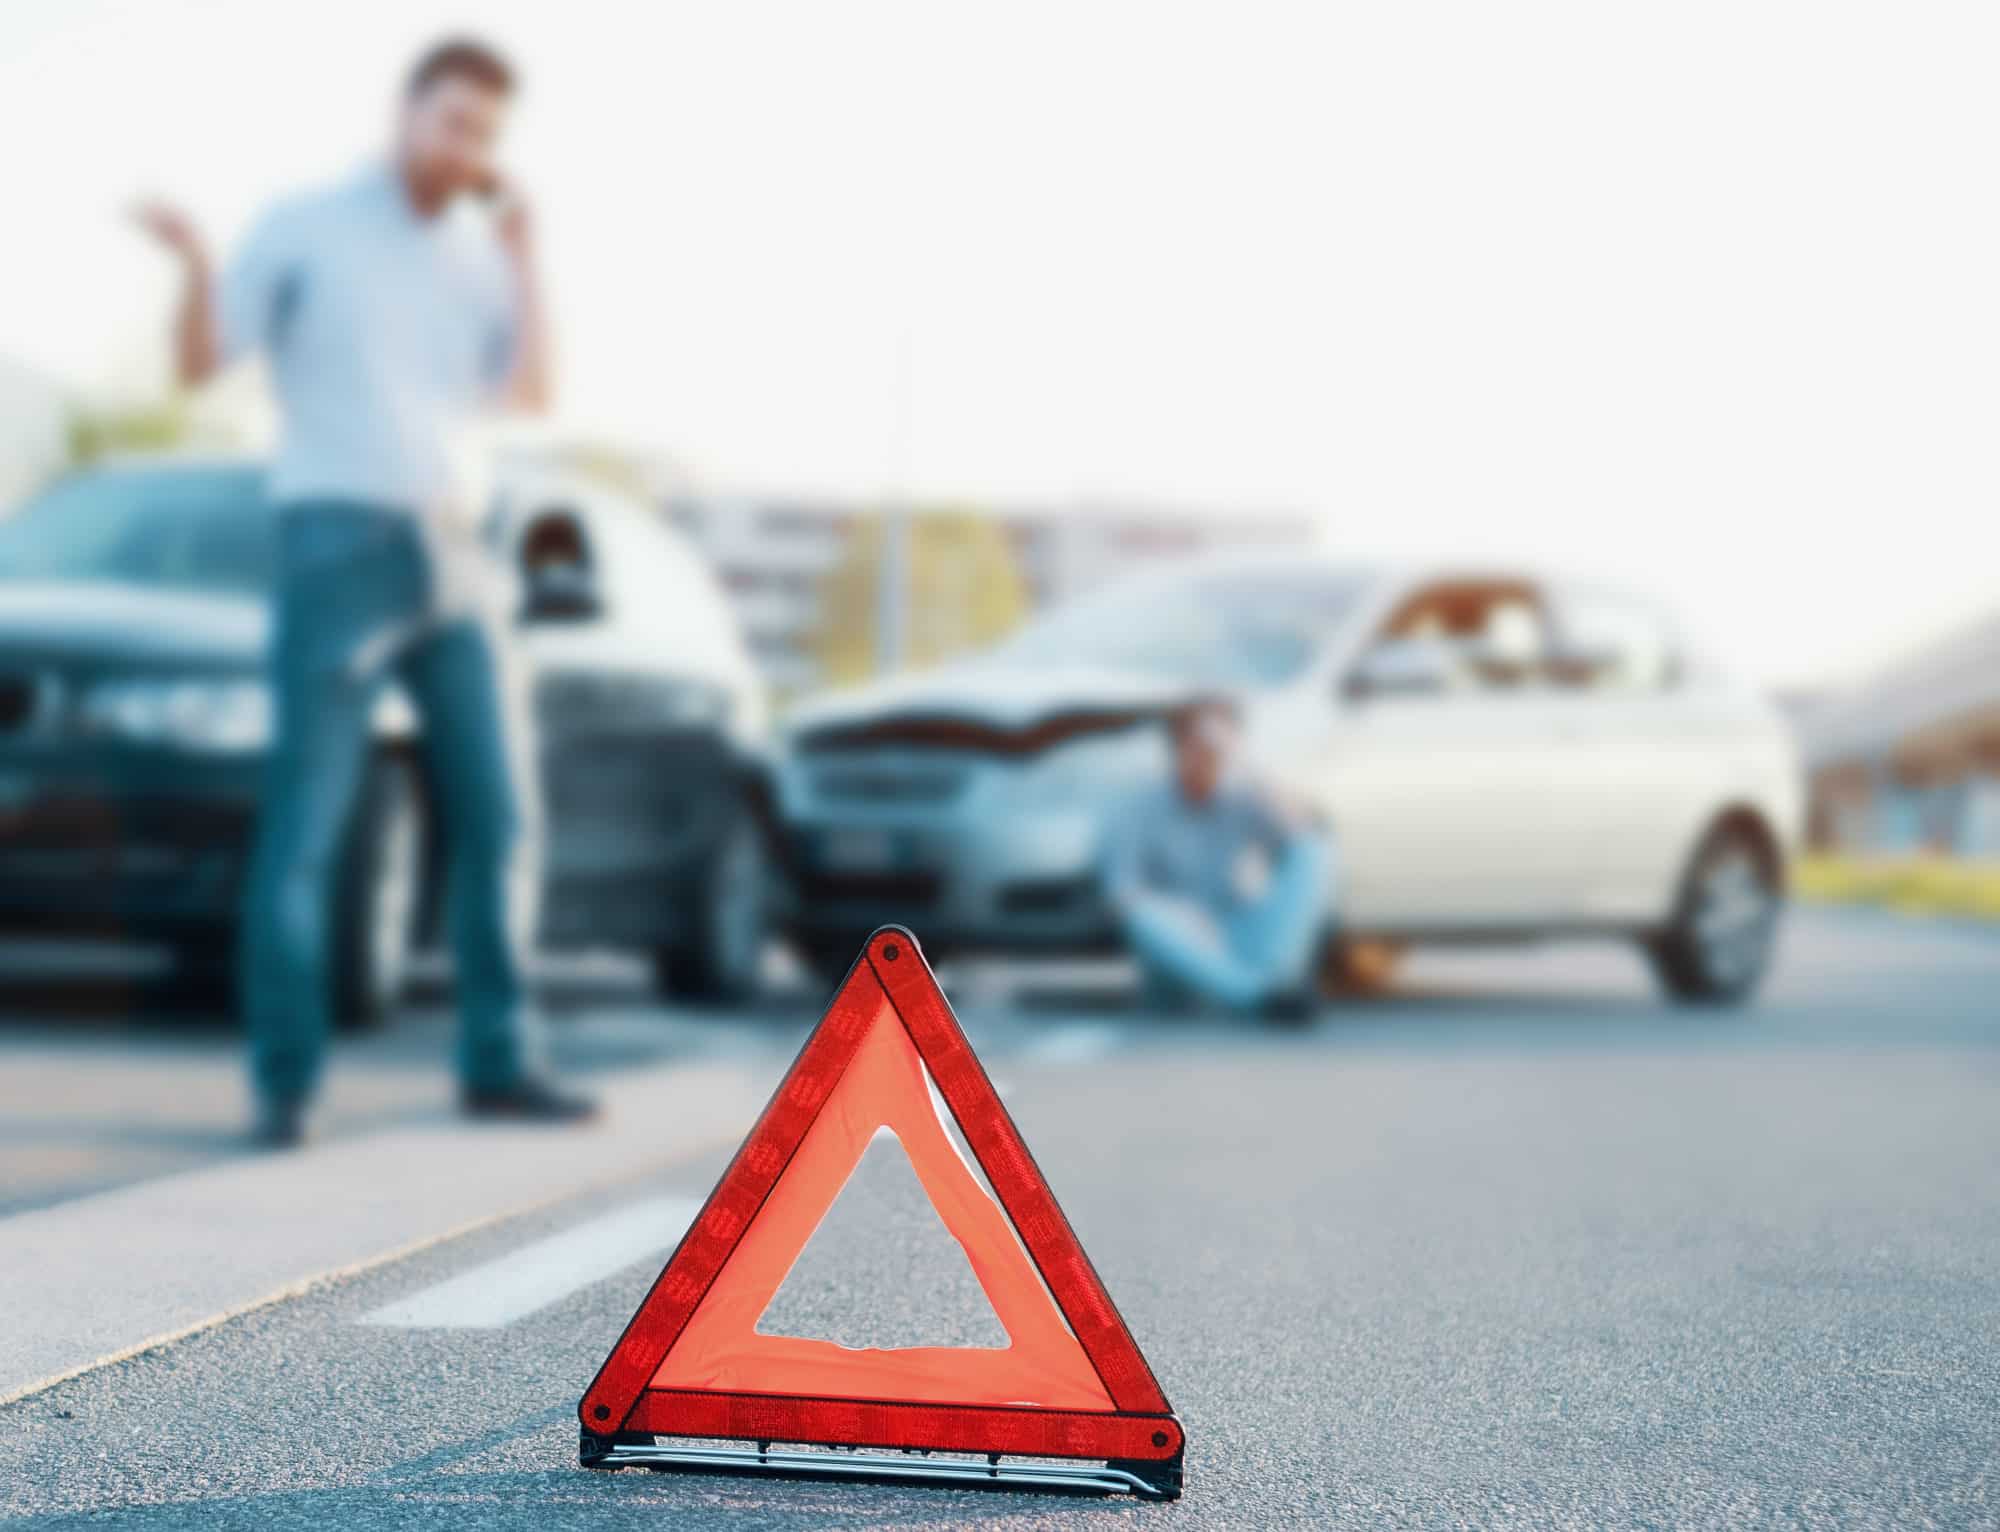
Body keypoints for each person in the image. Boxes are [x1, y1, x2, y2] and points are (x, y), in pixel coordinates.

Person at [134, 37, 593, 1145]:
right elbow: (201, 365)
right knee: (308, 825)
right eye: (450, 122)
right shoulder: (307, 224)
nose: (464, 148)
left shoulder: (481, 260)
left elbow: (531, 390)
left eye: (484, 134)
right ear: (406, 113)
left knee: (502, 814)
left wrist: (529, 255)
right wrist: (197, 267)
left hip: (460, 553)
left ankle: (498, 1059)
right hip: (336, 544)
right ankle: (283, 1081)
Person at [1103, 696, 1333, 1018]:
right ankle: (1258, 996)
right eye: (1195, 745)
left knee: (1313, 851)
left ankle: (1270, 984)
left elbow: (1303, 831)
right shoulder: (1137, 804)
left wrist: (1243, 761)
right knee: (1142, 915)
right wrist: (1182, 916)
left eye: (1214, 747)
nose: (1205, 756)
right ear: (1176, 748)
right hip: (1180, 945)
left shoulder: (1244, 795)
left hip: (1235, 933)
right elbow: (1121, 896)